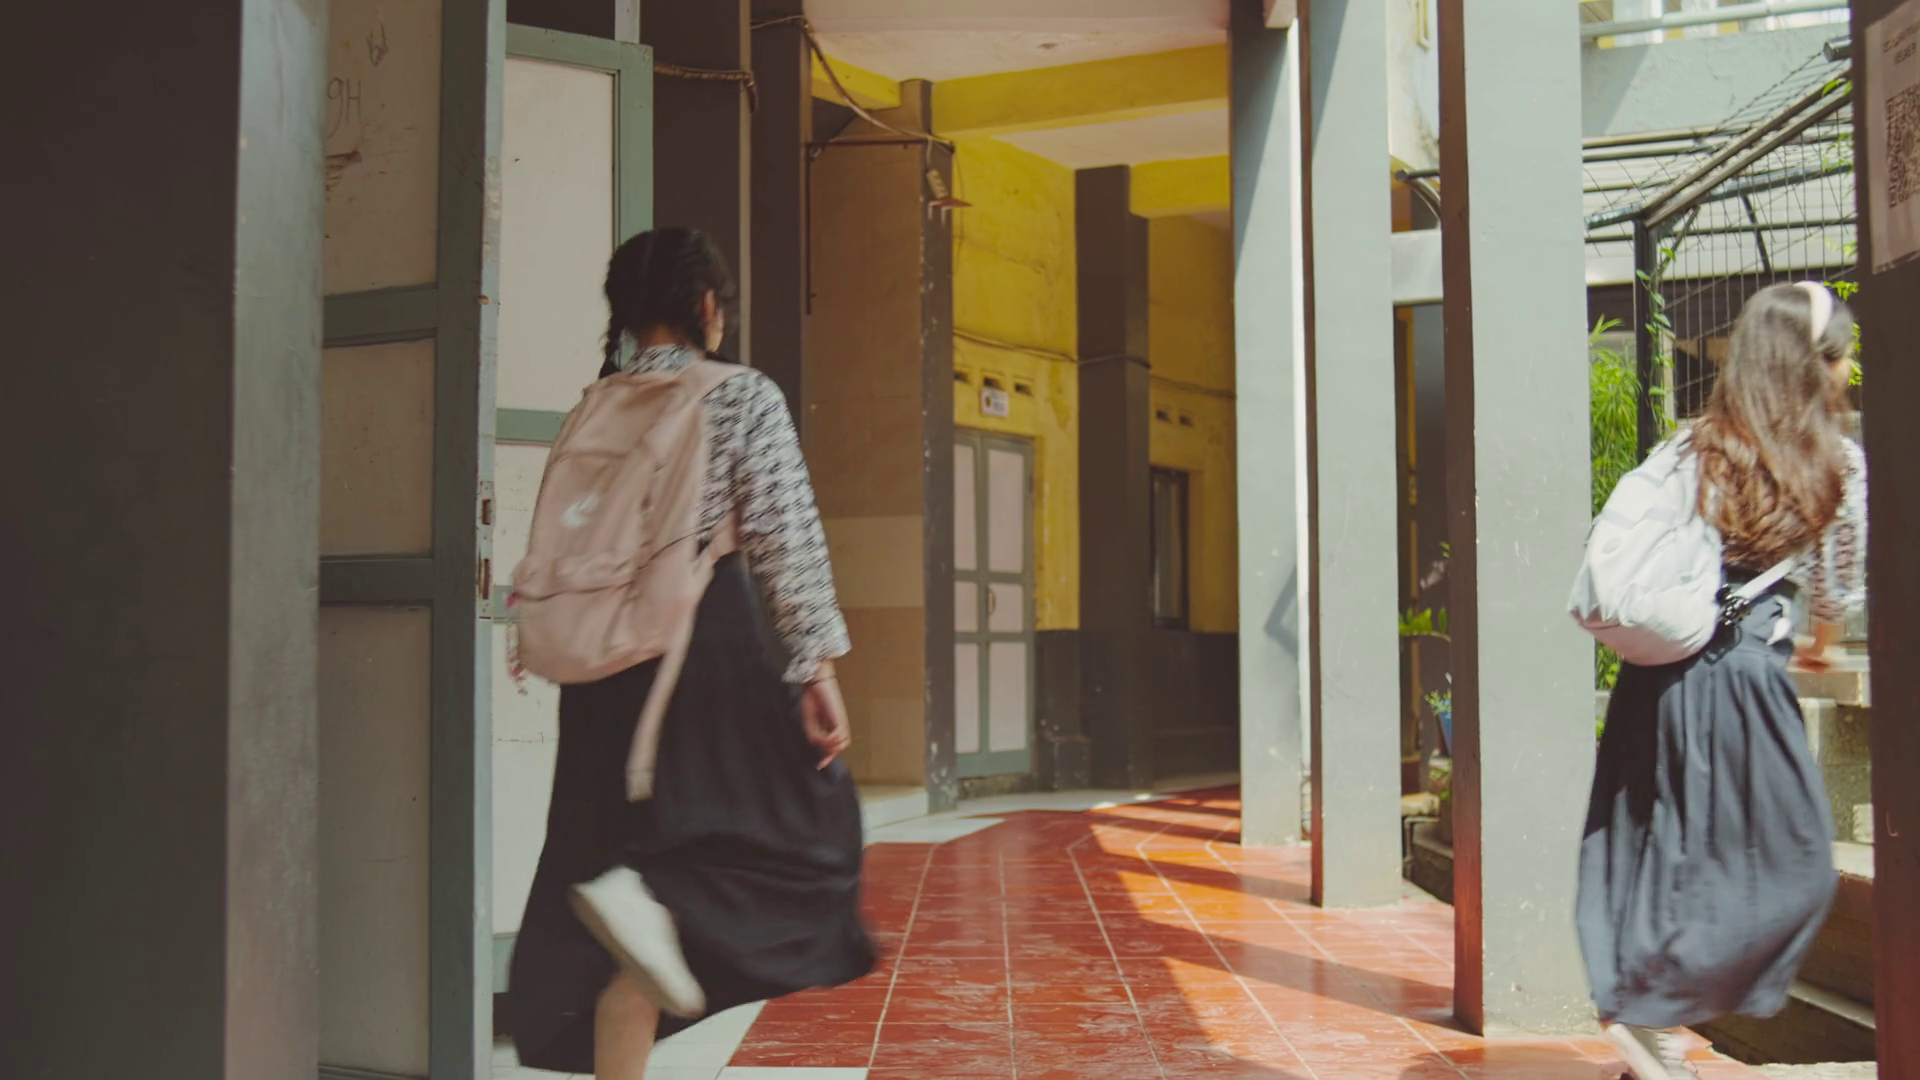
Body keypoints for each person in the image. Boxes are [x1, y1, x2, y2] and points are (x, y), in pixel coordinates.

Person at [508, 227, 876, 1079]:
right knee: (810, 832)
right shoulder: (740, 395)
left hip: (603, 676)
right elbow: (786, 540)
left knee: (628, 889)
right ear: (708, 305)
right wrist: (816, 668)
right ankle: (654, 902)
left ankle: (643, 914)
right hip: (701, 653)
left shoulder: (596, 404)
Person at [1578, 282, 1866, 1080]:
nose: (1847, 372)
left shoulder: (1692, 446)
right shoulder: (1836, 459)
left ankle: (1651, 1023)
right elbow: (1836, 589)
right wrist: (1820, 646)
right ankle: (1652, 1011)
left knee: (1659, 848)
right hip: (1741, 679)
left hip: (1657, 680)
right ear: (1813, 364)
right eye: (1841, 356)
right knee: (1796, 862)